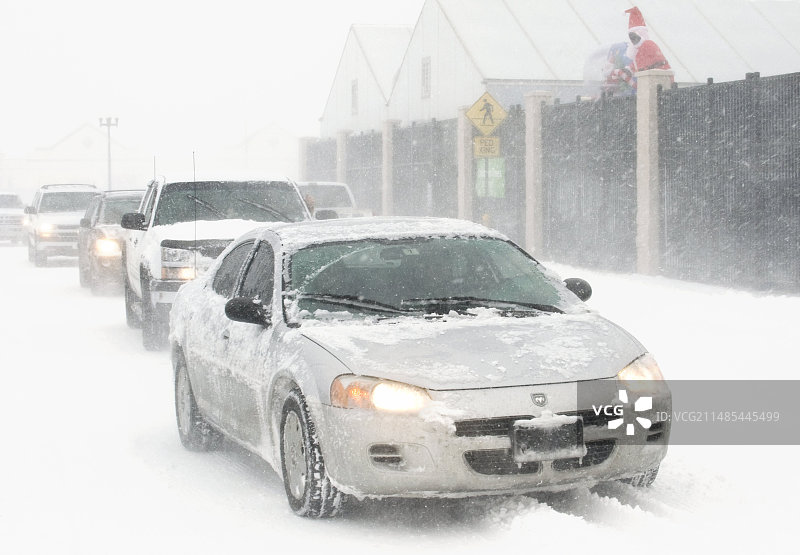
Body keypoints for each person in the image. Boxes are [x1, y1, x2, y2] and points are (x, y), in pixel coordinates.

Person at [624, 7, 671, 73]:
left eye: (633, 39)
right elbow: (637, 63)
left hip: (657, 77)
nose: (632, 42)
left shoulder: (647, 46)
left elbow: (661, 63)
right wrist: (628, 70)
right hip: (653, 78)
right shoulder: (639, 52)